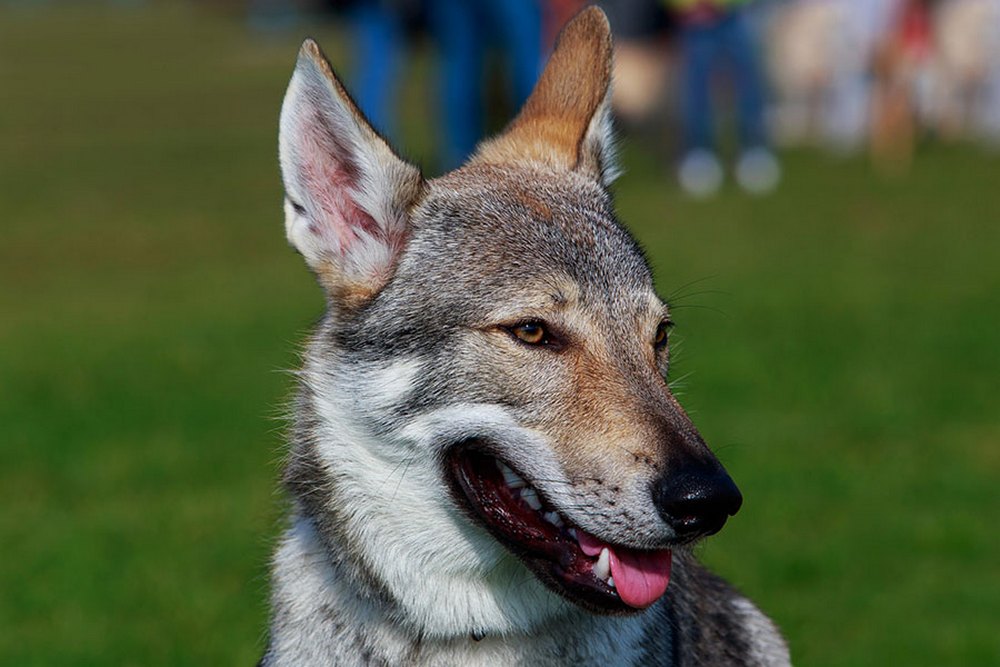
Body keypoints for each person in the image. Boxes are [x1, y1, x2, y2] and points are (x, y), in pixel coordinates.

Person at [667, 0, 780, 196]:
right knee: (697, 86)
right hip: (694, 19)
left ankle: (754, 149)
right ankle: (699, 152)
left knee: (747, 80)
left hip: (734, 12)